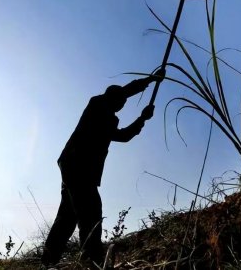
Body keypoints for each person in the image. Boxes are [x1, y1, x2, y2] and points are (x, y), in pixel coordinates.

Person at [41, 69, 165, 267]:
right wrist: (150, 80)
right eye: (121, 100)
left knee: (68, 217)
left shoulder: (110, 120)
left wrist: (142, 118)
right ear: (111, 97)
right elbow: (125, 91)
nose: (123, 103)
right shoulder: (96, 104)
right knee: (90, 211)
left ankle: (48, 261)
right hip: (76, 166)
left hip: (78, 169)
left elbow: (123, 136)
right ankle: (92, 261)